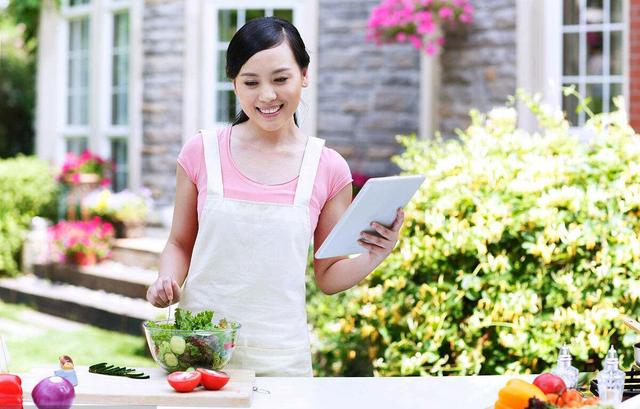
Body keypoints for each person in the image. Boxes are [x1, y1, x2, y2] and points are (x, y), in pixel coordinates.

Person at [146, 16, 404, 377]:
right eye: (251, 82)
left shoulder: (328, 168)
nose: (267, 96)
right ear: (234, 83)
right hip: (197, 354)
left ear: (304, 75)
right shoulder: (200, 152)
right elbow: (179, 243)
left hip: (282, 361)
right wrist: (166, 282)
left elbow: (328, 275)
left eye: (281, 79)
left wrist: (376, 252)